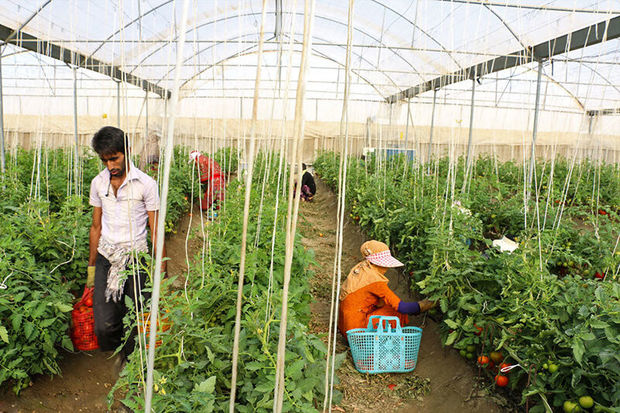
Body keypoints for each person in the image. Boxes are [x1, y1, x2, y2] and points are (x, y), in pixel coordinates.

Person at [86, 126, 165, 360]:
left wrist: (161, 271)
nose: (110, 165)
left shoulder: (146, 184)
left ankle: (128, 363)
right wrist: (91, 270)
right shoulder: (98, 184)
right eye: (105, 160)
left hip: (136, 258)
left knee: (136, 315)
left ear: (127, 151)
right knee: (104, 323)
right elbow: (96, 227)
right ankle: (116, 349)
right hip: (107, 256)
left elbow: (156, 229)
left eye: (114, 158)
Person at [338, 240, 435, 339]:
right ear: (375, 263)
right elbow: (402, 307)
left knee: (387, 306)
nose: (387, 268)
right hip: (356, 332)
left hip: (345, 326)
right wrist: (425, 304)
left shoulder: (361, 268)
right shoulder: (375, 281)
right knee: (396, 313)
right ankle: (382, 341)